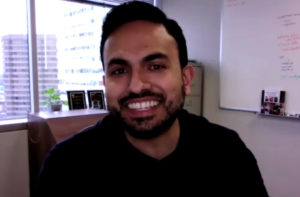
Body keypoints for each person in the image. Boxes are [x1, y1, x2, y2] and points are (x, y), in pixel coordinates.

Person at [32, 1, 269, 196]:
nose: (136, 86)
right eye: (119, 71)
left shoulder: (226, 152)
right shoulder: (66, 167)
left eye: (155, 66)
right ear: (105, 85)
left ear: (186, 78)